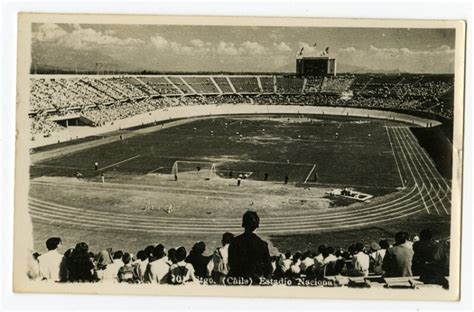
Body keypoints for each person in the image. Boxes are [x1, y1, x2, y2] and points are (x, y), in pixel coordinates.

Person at [228, 211, 273, 284]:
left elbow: (231, 263)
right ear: (257, 225)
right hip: (255, 281)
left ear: (243, 224)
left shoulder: (234, 242)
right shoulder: (262, 244)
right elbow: (268, 268)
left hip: (237, 280)